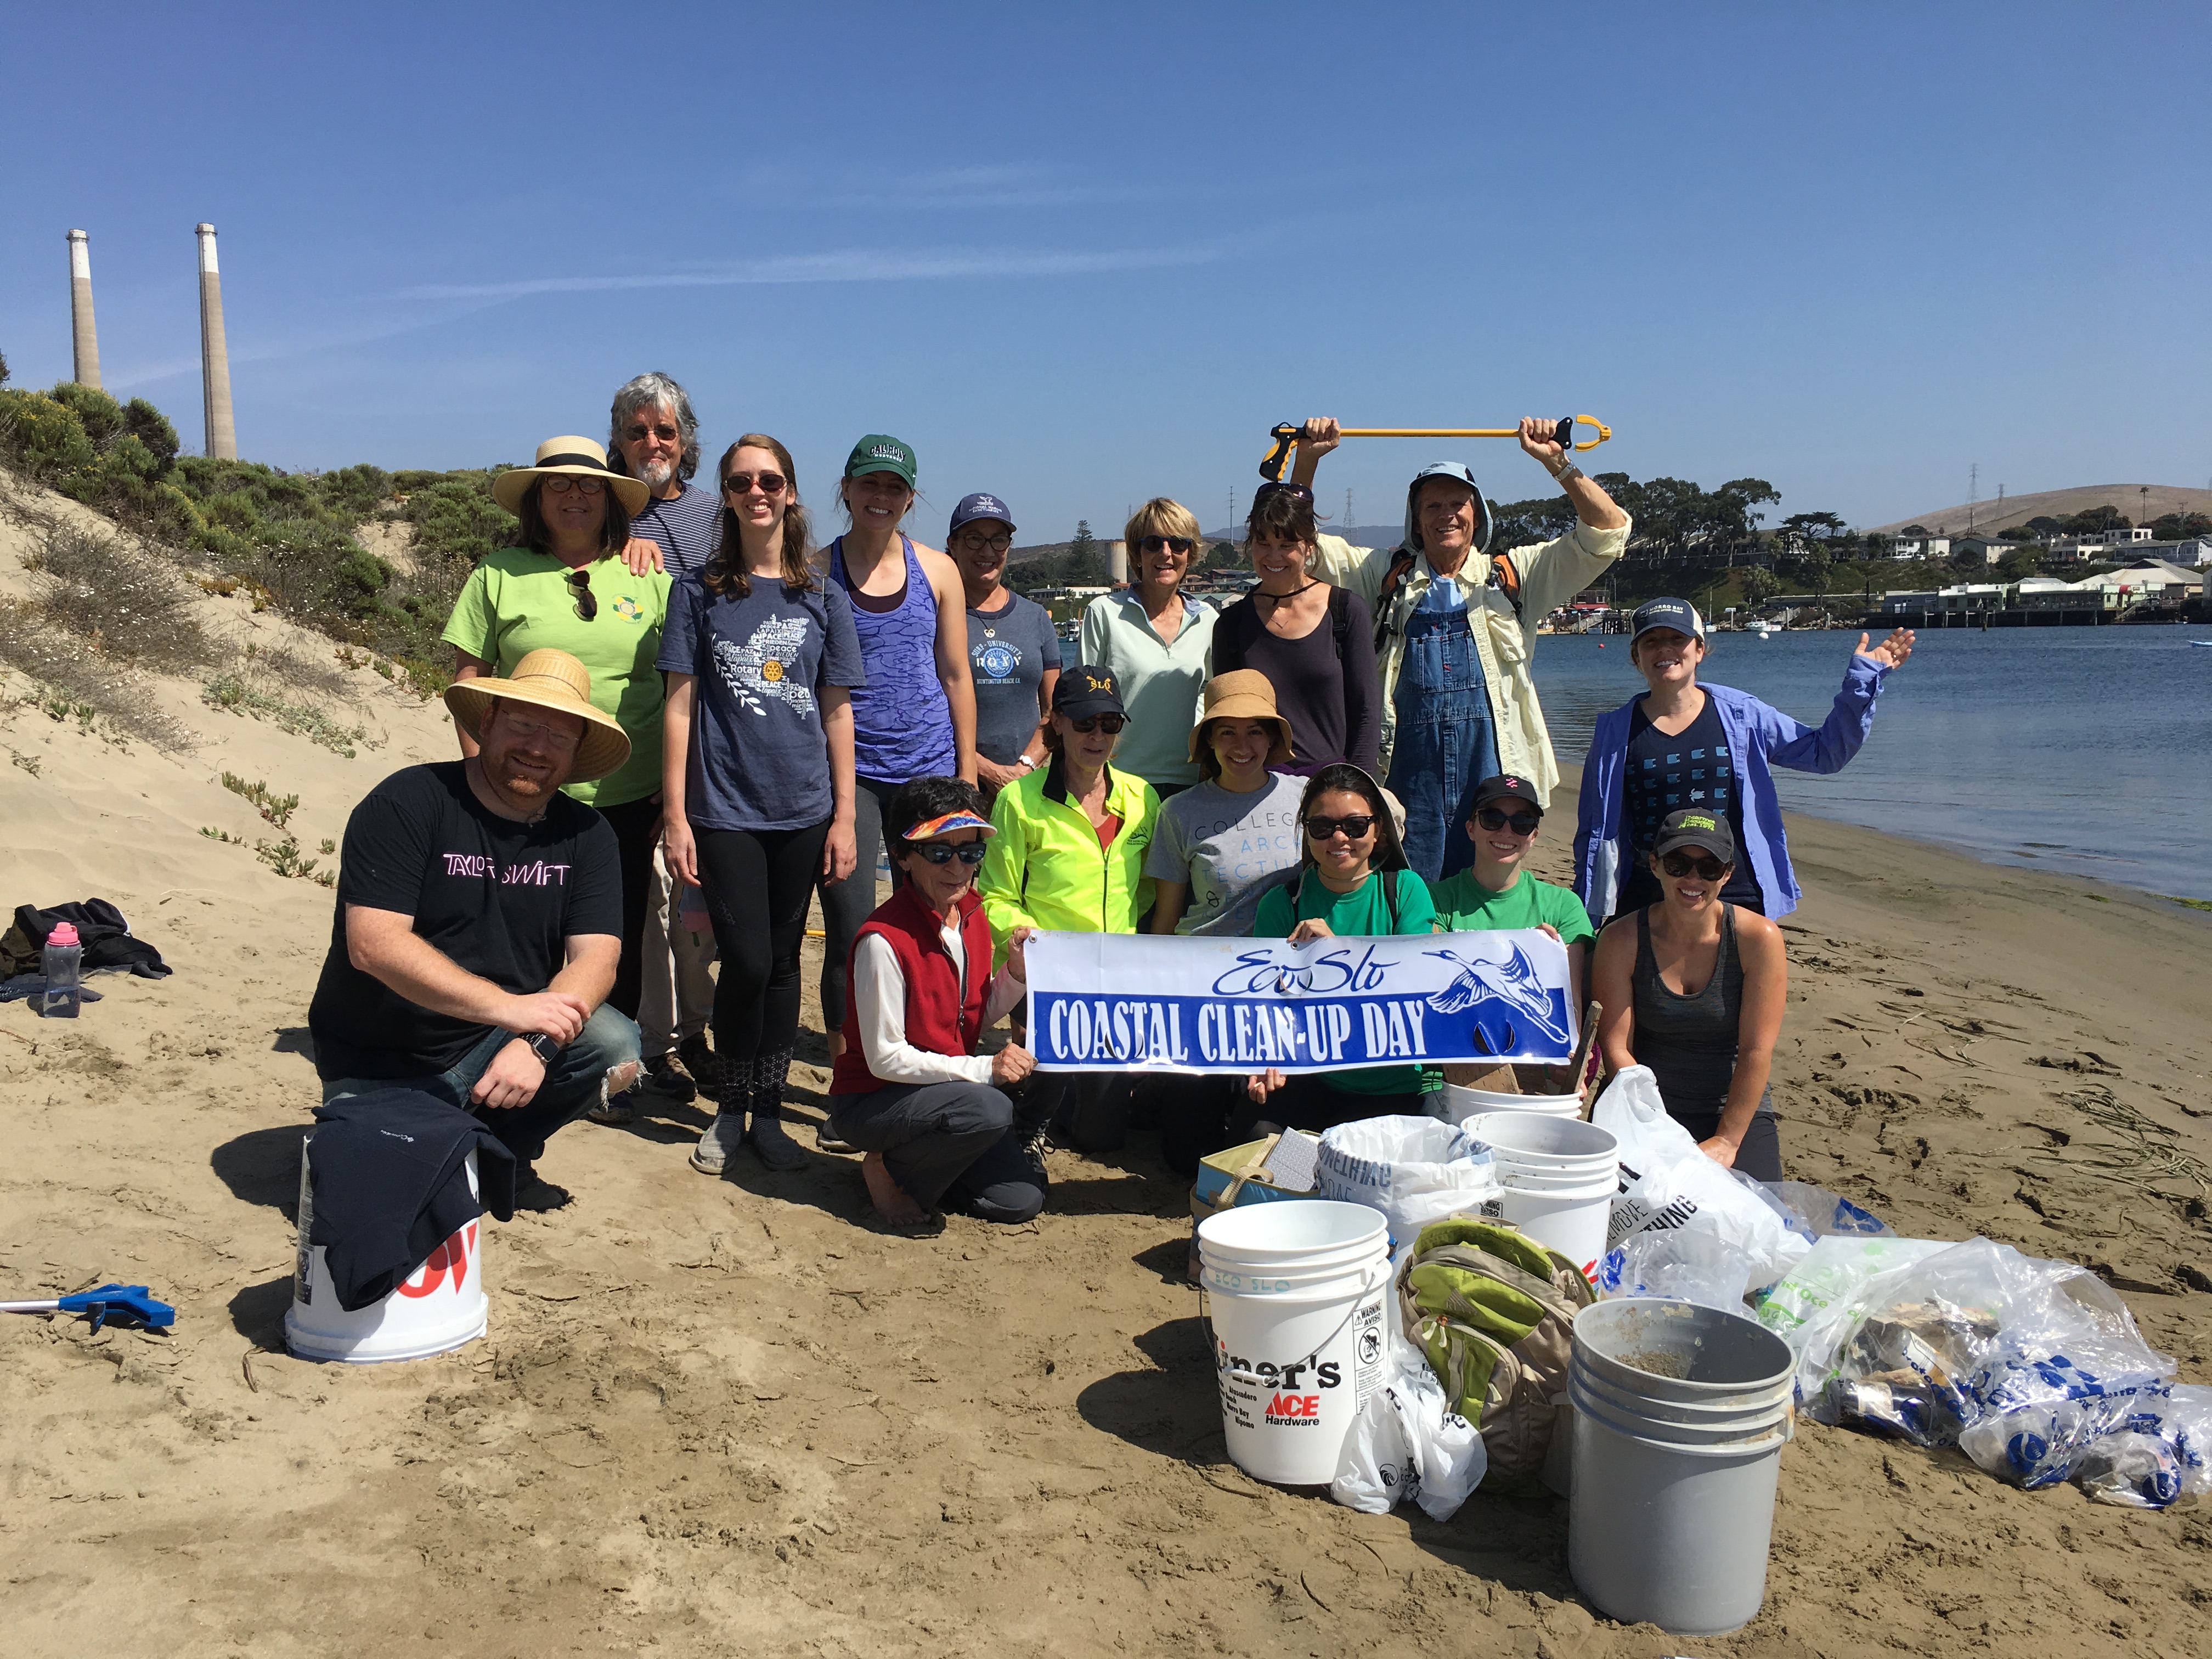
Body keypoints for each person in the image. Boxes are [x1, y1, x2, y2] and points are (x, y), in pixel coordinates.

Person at [306, 649, 643, 1212]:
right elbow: (374, 945)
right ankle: (435, 1135)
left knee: (615, 1046)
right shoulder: (410, 801)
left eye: (560, 736)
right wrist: (508, 1009)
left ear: (578, 751)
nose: (538, 748)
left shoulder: (588, 834)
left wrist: (536, 1044)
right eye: (524, 724)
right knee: (375, 1195)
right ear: (487, 721)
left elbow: (597, 960)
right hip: (385, 1054)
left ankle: (504, 1152)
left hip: (505, 1043)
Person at [1291, 416, 1632, 882]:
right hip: (1405, 771)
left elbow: (1607, 534)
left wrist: (1558, 464)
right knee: (1409, 895)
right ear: (1416, 518)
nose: (1446, 514)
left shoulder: (1517, 575)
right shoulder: (1382, 577)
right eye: (1432, 505)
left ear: (1478, 514)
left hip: (1493, 765)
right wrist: (1306, 461)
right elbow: (1298, 543)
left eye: (1457, 503)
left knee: (1484, 895)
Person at [660, 434, 862, 1175]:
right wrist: (677, 815)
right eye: (742, 481)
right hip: (723, 809)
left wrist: (844, 815)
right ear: (727, 494)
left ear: (790, 492)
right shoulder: (698, 592)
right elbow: (680, 706)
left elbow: (837, 712)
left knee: (782, 966)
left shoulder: (820, 597)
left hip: (804, 809)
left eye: (770, 480)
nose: (758, 492)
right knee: (745, 960)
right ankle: (729, 1109)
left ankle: (768, 1114)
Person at [443, 437, 670, 1036]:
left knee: (616, 931)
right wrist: (478, 780)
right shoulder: (498, 572)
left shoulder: (647, 572)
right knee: (520, 921)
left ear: (610, 495)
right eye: (559, 484)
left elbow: (681, 687)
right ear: (537, 497)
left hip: (630, 791)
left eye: (590, 484)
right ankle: (512, 1039)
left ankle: (607, 1065)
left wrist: (676, 788)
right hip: (521, 784)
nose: (575, 496)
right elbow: (471, 679)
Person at [1572, 597, 1916, 924]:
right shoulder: (1614, 731)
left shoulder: (1741, 715)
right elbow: (1593, 830)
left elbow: (1824, 754)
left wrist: (1862, 680)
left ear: (1699, 649)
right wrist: (1583, 911)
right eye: (1651, 642)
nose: (1665, 649)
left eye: (1678, 639)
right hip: (1649, 893)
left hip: (1733, 891)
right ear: (1637, 657)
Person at [816, 435, 977, 1074]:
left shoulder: (937, 570)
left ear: (911, 498)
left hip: (929, 771)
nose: (881, 498)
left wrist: (965, 778)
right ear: (847, 490)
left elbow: (956, 674)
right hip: (849, 777)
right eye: (870, 485)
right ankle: (849, 1073)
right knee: (853, 934)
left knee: (938, 924)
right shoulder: (814, 570)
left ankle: (936, 1054)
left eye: (895, 487)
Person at [825, 779, 1048, 1230]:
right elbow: (885, 1058)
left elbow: (971, 1019)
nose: (958, 868)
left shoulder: (973, 916)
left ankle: (927, 1168)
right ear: (904, 857)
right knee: (989, 1109)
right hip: (875, 1101)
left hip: (944, 1091)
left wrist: (1016, 975)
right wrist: (984, 1071)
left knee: (1019, 1200)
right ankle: (886, 1169)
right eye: (940, 852)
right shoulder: (883, 940)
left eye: (970, 852)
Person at [597, 373, 720, 1113]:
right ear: (617, 441)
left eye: (665, 432)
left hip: (714, 742)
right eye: (638, 432)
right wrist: (624, 543)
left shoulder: (715, 515)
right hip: (636, 741)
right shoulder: (605, 516)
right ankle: (645, 1046)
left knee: (697, 907)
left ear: (686, 441)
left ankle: (693, 1035)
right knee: (643, 906)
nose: (652, 445)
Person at [977, 666, 1159, 1153]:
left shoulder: (1143, 799)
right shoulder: (1018, 801)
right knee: (1042, 1101)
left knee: (1100, 1137)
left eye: (1110, 724)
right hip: (1045, 975)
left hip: (1115, 975)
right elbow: (995, 895)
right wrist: (1022, 940)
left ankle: (1068, 1090)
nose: (1097, 735)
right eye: (1084, 723)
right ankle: (1032, 1104)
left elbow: (1145, 894)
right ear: (1055, 722)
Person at [1144, 670, 1306, 1175]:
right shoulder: (1179, 812)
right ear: (1209, 740)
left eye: (1255, 730)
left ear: (1274, 738)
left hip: (1285, 987)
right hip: (1206, 986)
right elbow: (1167, 919)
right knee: (1183, 1159)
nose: (1242, 745)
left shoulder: (1307, 797)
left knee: (1264, 1136)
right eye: (1227, 732)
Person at [1238, 763, 1442, 1138]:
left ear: (1378, 829)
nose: (1338, 838)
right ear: (1307, 832)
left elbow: (1417, 984)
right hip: (1312, 1076)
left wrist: (1338, 956)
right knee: (1260, 1139)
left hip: (1391, 1082)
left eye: (1354, 826)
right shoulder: (1282, 903)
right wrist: (1264, 1061)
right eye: (1322, 827)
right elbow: (1265, 1001)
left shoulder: (1404, 891)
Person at [1589, 810, 1787, 1181]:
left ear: (1727, 874)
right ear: (1656, 864)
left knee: (1762, 1225)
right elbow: (1617, 1048)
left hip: (1729, 1107)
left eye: (1709, 868)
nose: (1693, 879)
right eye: (1679, 864)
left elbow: (1756, 1050)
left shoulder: (1758, 939)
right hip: (1642, 1106)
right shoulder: (1620, 939)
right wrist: (1655, 1130)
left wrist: (1727, 1141)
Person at [1208, 483, 1379, 774]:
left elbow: (1367, 712)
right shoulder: (1231, 625)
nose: (1274, 557)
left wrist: (1357, 788)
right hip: (1258, 792)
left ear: (1309, 546)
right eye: (1263, 544)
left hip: (1332, 787)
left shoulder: (1345, 611)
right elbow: (1227, 721)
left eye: (1286, 545)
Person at [1079, 499, 1216, 797]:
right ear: (1137, 554)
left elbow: (1211, 691)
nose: (1166, 553)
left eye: (1178, 544)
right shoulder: (1104, 613)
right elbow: (1086, 700)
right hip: (1120, 782)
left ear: (1190, 554)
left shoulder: (1208, 620)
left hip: (1192, 783)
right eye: (1153, 543)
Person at [1430, 773, 1596, 1007]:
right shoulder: (1434, 900)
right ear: (1470, 829)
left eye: (1522, 823)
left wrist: (1551, 956)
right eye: (1492, 818)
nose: (1507, 832)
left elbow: (1570, 1006)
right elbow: (1431, 981)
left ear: (1533, 836)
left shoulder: (1563, 905)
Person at [949, 491, 1059, 805]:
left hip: (1029, 787)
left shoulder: (1035, 617)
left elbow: (1054, 713)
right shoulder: (937, 616)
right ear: (953, 545)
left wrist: (1024, 766)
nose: (987, 551)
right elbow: (930, 713)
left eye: (999, 540)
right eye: (974, 539)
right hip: (958, 785)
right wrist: (987, 770)